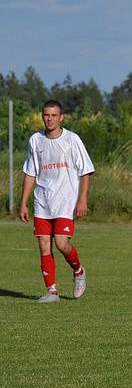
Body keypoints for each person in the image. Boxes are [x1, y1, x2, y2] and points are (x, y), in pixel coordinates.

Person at [19, 100, 94, 303]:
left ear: (61, 117)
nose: (49, 119)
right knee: (44, 245)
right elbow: (30, 173)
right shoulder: (36, 140)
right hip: (42, 202)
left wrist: (82, 199)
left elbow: (86, 170)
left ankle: (78, 271)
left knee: (61, 243)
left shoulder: (72, 140)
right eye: (46, 115)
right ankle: (52, 292)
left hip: (65, 201)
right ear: (42, 116)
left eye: (54, 115)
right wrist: (23, 202)